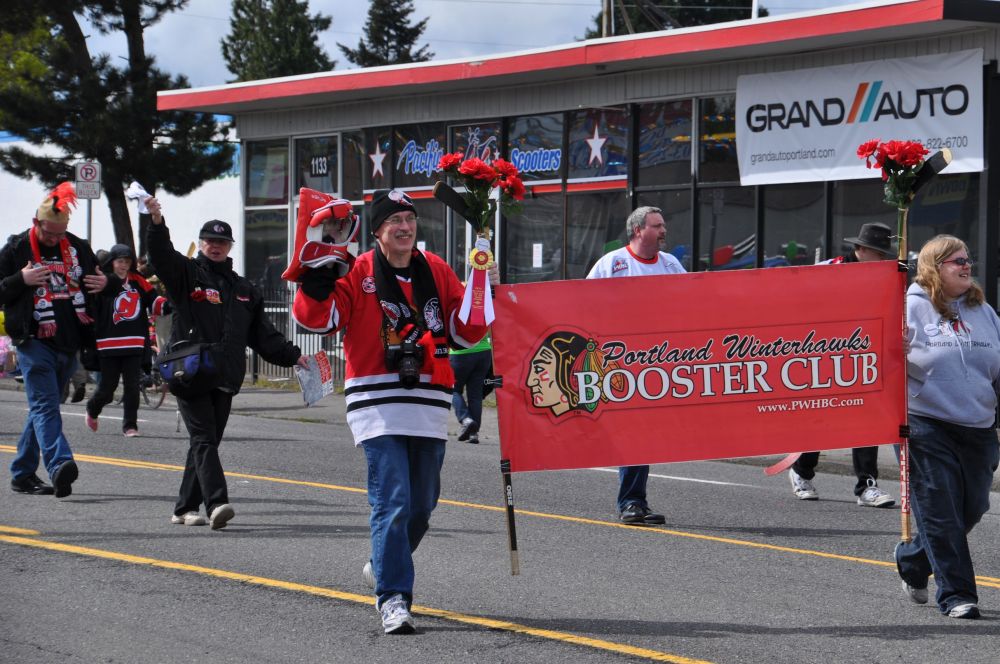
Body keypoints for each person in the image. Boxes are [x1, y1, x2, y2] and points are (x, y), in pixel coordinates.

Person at [292, 189, 489, 635]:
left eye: (409, 218)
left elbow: (466, 330)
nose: (404, 227)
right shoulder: (357, 270)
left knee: (422, 505)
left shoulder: (435, 270)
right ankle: (394, 597)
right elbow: (316, 319)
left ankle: (380, 564)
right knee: (393, 499)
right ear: (378, 231)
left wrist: (481, 281)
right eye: (393, 220)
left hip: (429, 402)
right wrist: (316, 280)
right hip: (376, 403)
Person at [145, 197, 307, 529]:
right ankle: (216, 502)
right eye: (209, 241)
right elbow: (161, 257)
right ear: (201, 244)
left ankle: (183, 507)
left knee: (206, 442)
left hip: (225, 375)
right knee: (204, 439)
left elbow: (263, 335)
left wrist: (294, 356)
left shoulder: (244, 289)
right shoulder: (187, 275)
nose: (215, 246)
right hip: (188, 372)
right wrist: (157, 223)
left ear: (230, 245)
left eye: (221, 242)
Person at [895, 235, 1000, 620]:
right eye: (957, 260)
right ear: (934, 267)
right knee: (941, 511)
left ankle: (912, 558)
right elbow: (881, 363)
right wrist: (894, 348)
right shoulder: (908, 307)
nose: (966, 265)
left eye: (968, 259)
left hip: (978, 426)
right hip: (926, 424)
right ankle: (957, 595)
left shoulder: (983, 310)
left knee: (972, 507)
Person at [0, 182, 112, 498]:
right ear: (36, 223)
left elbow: (104, 284)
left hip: (70, 342)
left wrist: (106, 283)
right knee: (46, 406)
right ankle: (60, 464)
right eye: (48, 234)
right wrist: (19, 280)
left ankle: (22, 473)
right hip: (34, 341)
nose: (54, 239)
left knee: (43, 407)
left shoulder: (77, 247)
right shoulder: (16, 248)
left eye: (59, 234)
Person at [586, 206, 684, 526]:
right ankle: (630, 502)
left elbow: (693, 302)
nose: (663, 230)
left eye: (663, 224)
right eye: (657, 225)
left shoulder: (671, 265)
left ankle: (635, 501)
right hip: (621, 364)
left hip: (659, 363)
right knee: (635, 430)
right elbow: (582, 302)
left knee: (647, 433)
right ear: (638, 230)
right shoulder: (612, 264)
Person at [787, 222, 896, 507]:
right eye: (879, 252)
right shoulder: (829, 268)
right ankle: (801, 471)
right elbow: (797, 302)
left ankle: (867, 486)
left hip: (864, 354)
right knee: (820, 417)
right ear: (860, 249)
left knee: (867, 419)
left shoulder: (887, 273)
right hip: (825, 353)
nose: (884, 258)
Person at [85, 244, 160, 437]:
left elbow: (153, 299)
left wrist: (169, 305)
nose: (124, 265)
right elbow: (90, 304)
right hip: (108, 342)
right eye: (120, 261)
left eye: (127, 261)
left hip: (134, 342)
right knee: (107, 389)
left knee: (132, 387)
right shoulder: (103, 280)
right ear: (112, 262)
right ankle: (93, 408)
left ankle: (130, 425)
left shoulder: (138, 280)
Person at [449, 333, 492, 444]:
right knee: (475, 395)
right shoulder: (485, 314)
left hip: (460, 353)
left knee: (452, 390)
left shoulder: (457, 314)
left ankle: (466, 420)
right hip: (484, 353)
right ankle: (474, 434)